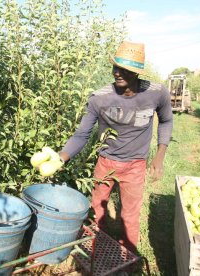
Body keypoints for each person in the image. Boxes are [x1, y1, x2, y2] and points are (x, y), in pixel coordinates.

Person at [59, 41, 173, 253]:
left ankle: (128, 256)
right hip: (106, 162)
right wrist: (61, 157)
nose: (118, 73)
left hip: (136, 164)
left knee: (130, 213)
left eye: (125, 70)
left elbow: (166, 121)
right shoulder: (100, 98)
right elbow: (82, 133)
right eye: (116, 67)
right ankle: (97, 248)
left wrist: (159, 155)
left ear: (137, 73)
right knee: (97, 208)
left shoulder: (157, 93)